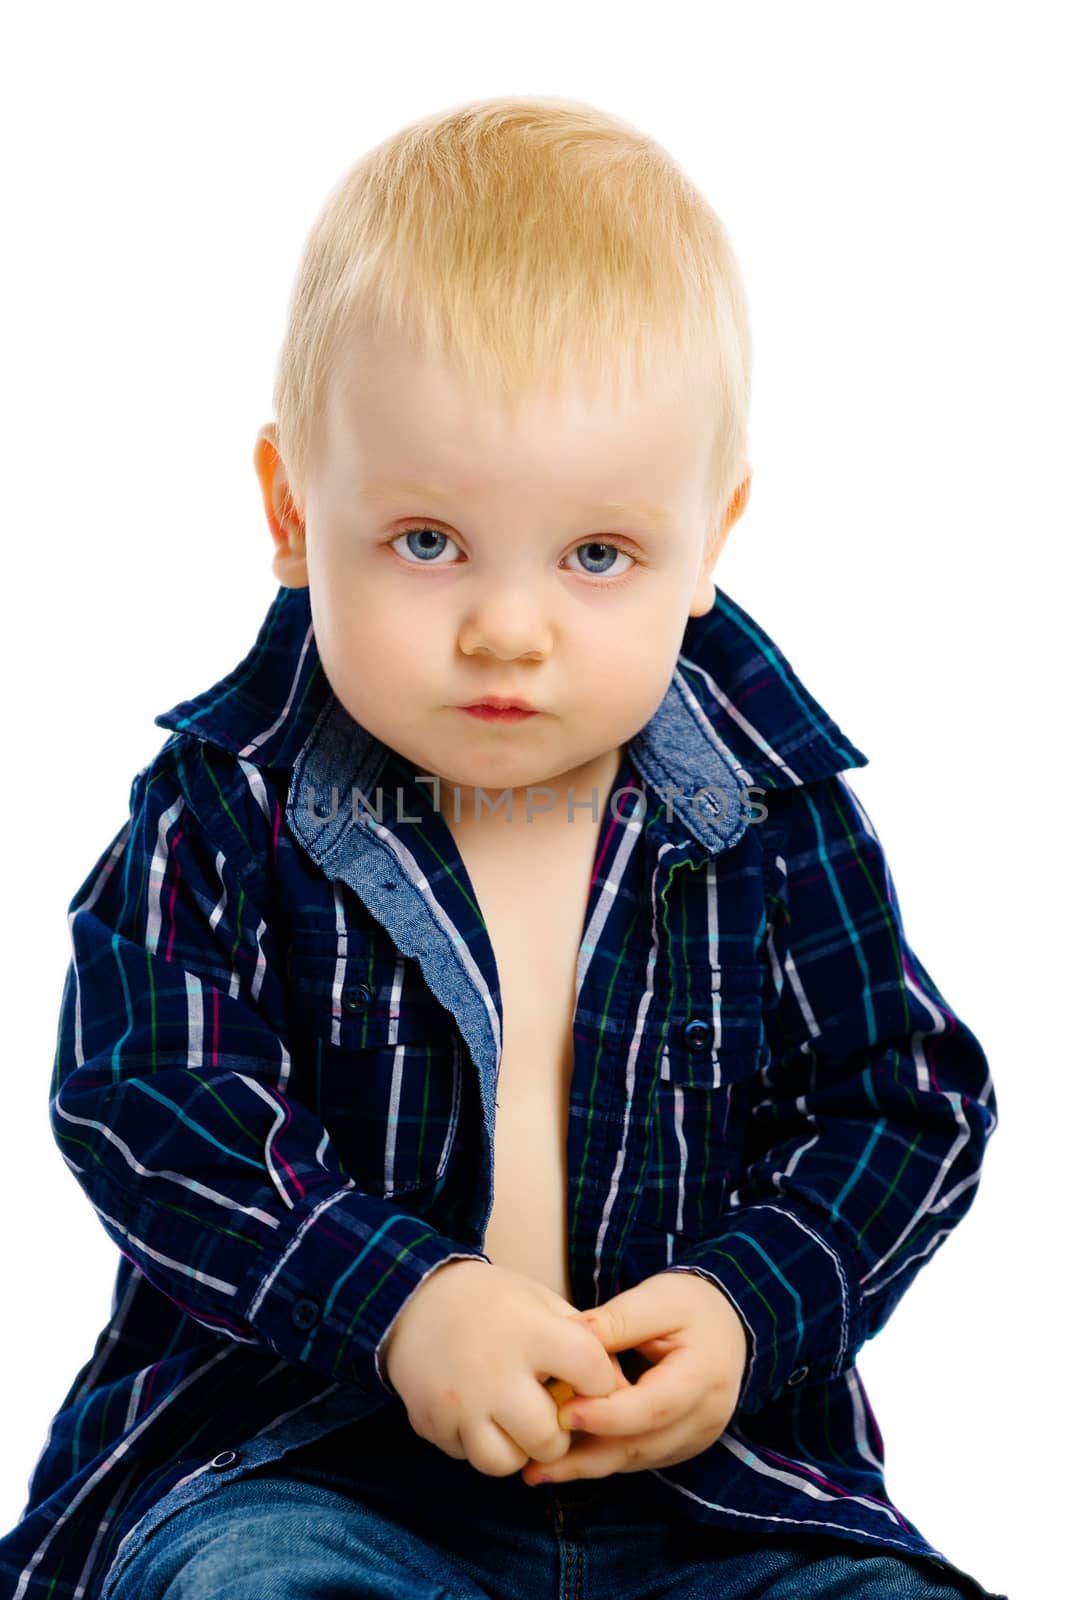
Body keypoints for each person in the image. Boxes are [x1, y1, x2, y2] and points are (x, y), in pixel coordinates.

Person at [0, 94, 1006, 1600]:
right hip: (314, 1465)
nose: (508, 627)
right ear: (291, 510)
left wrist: (742, 1313)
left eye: (597, 555)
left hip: (704, 1498)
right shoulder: (226, 809)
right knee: (251, 1587)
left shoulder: (774, 820)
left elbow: (902, 1110)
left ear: (709, 543)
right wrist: (403, 1306)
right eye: (426, 541)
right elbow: (151, 1098)